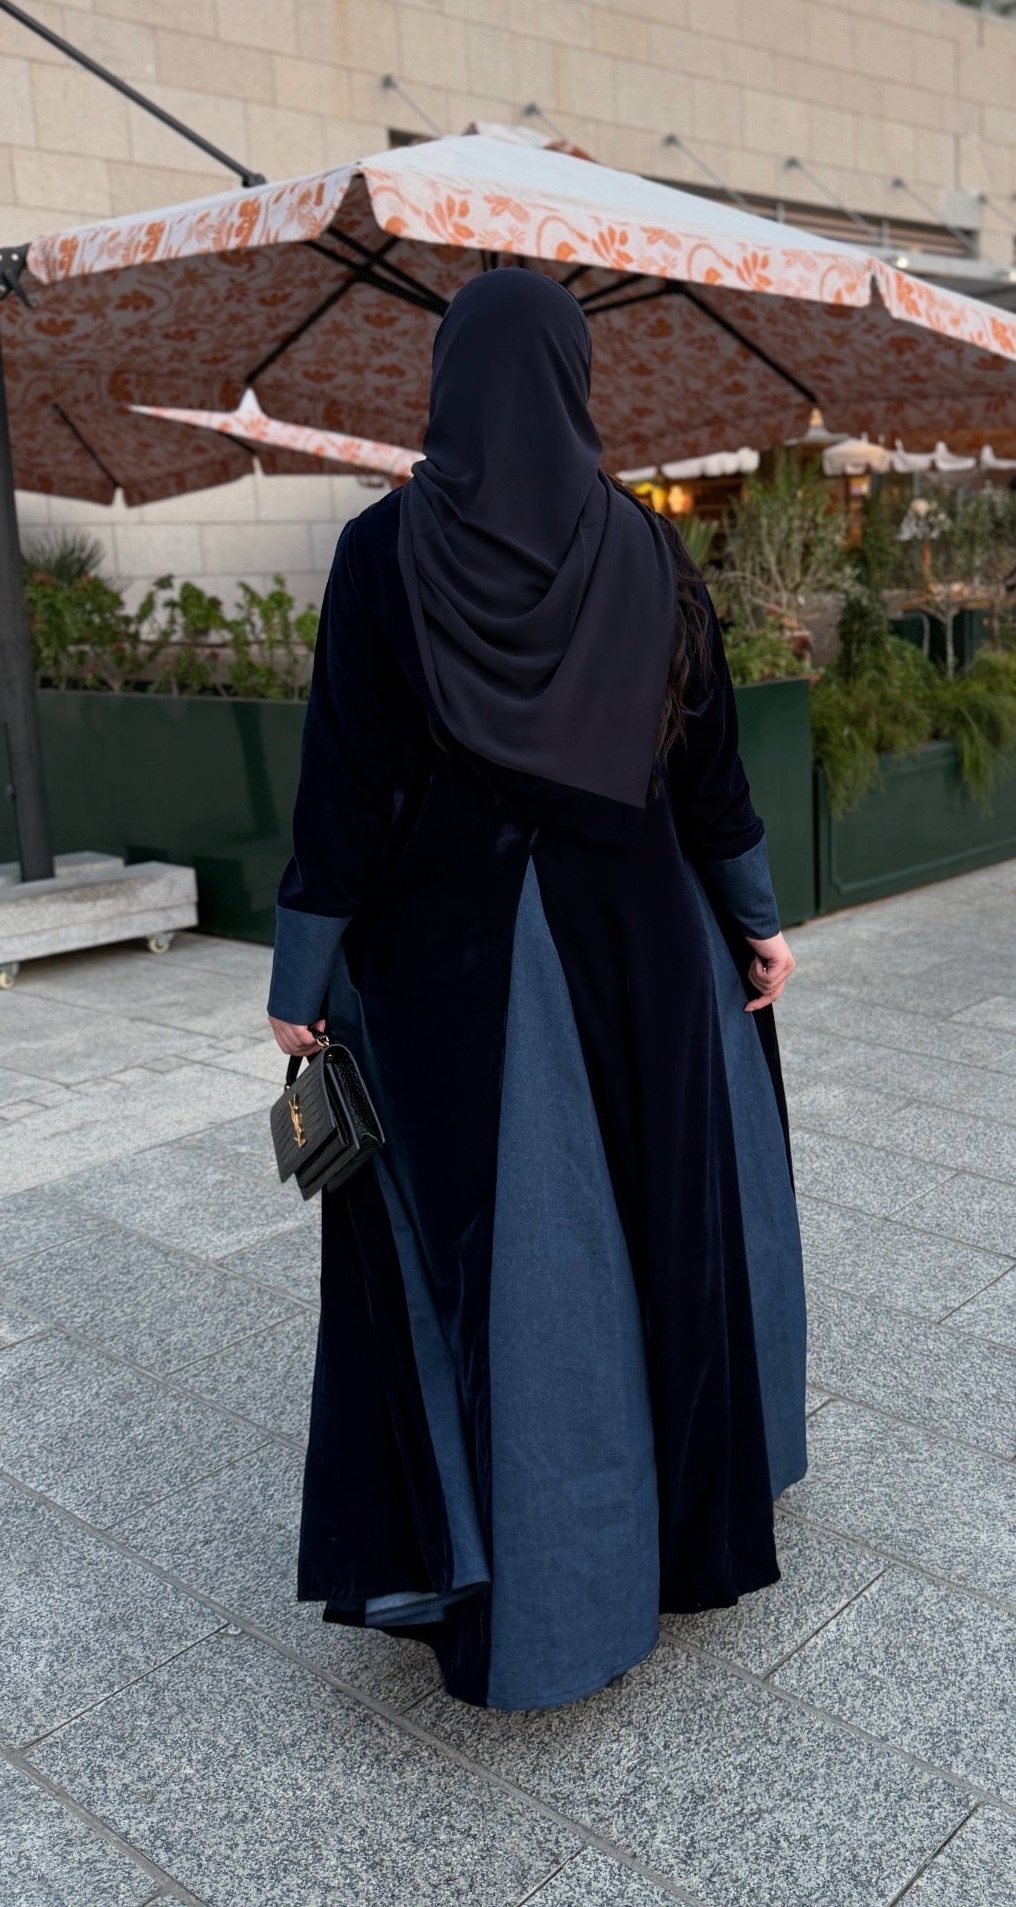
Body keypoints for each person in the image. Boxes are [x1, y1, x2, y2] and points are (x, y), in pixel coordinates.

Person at [267, 266, 805, 1713]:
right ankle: (681, 1539)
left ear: (449, 384)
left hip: (457, 973)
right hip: (647, 954)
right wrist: (757, 929)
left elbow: (344, 791)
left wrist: (297, 976)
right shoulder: (650, 551)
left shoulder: (382, 556)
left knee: (507, 1264)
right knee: (652, 1229)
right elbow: (712, 776)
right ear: (576, 384)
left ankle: (526, 1575)